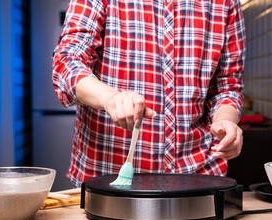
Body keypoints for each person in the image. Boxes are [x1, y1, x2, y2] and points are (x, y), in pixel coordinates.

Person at [52, 0, 246, 187]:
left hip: (198, 175)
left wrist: (225, 119)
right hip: (106, 174)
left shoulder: (225, 3)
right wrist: (110, 98)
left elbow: (227, 86)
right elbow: (67, 62)